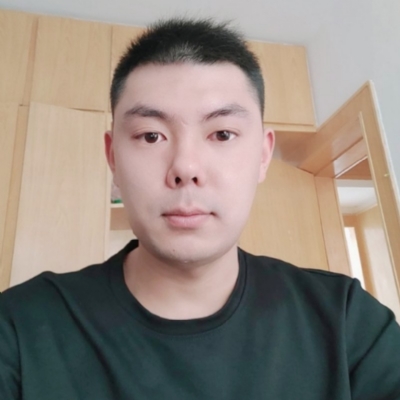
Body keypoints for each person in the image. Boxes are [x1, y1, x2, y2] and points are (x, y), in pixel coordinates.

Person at [1, 18, 400, 400]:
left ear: (263, 155)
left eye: (222, 133)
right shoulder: (19, 327)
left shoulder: (346, 321)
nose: (185, 167)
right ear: (113, 158)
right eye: (151, 136)